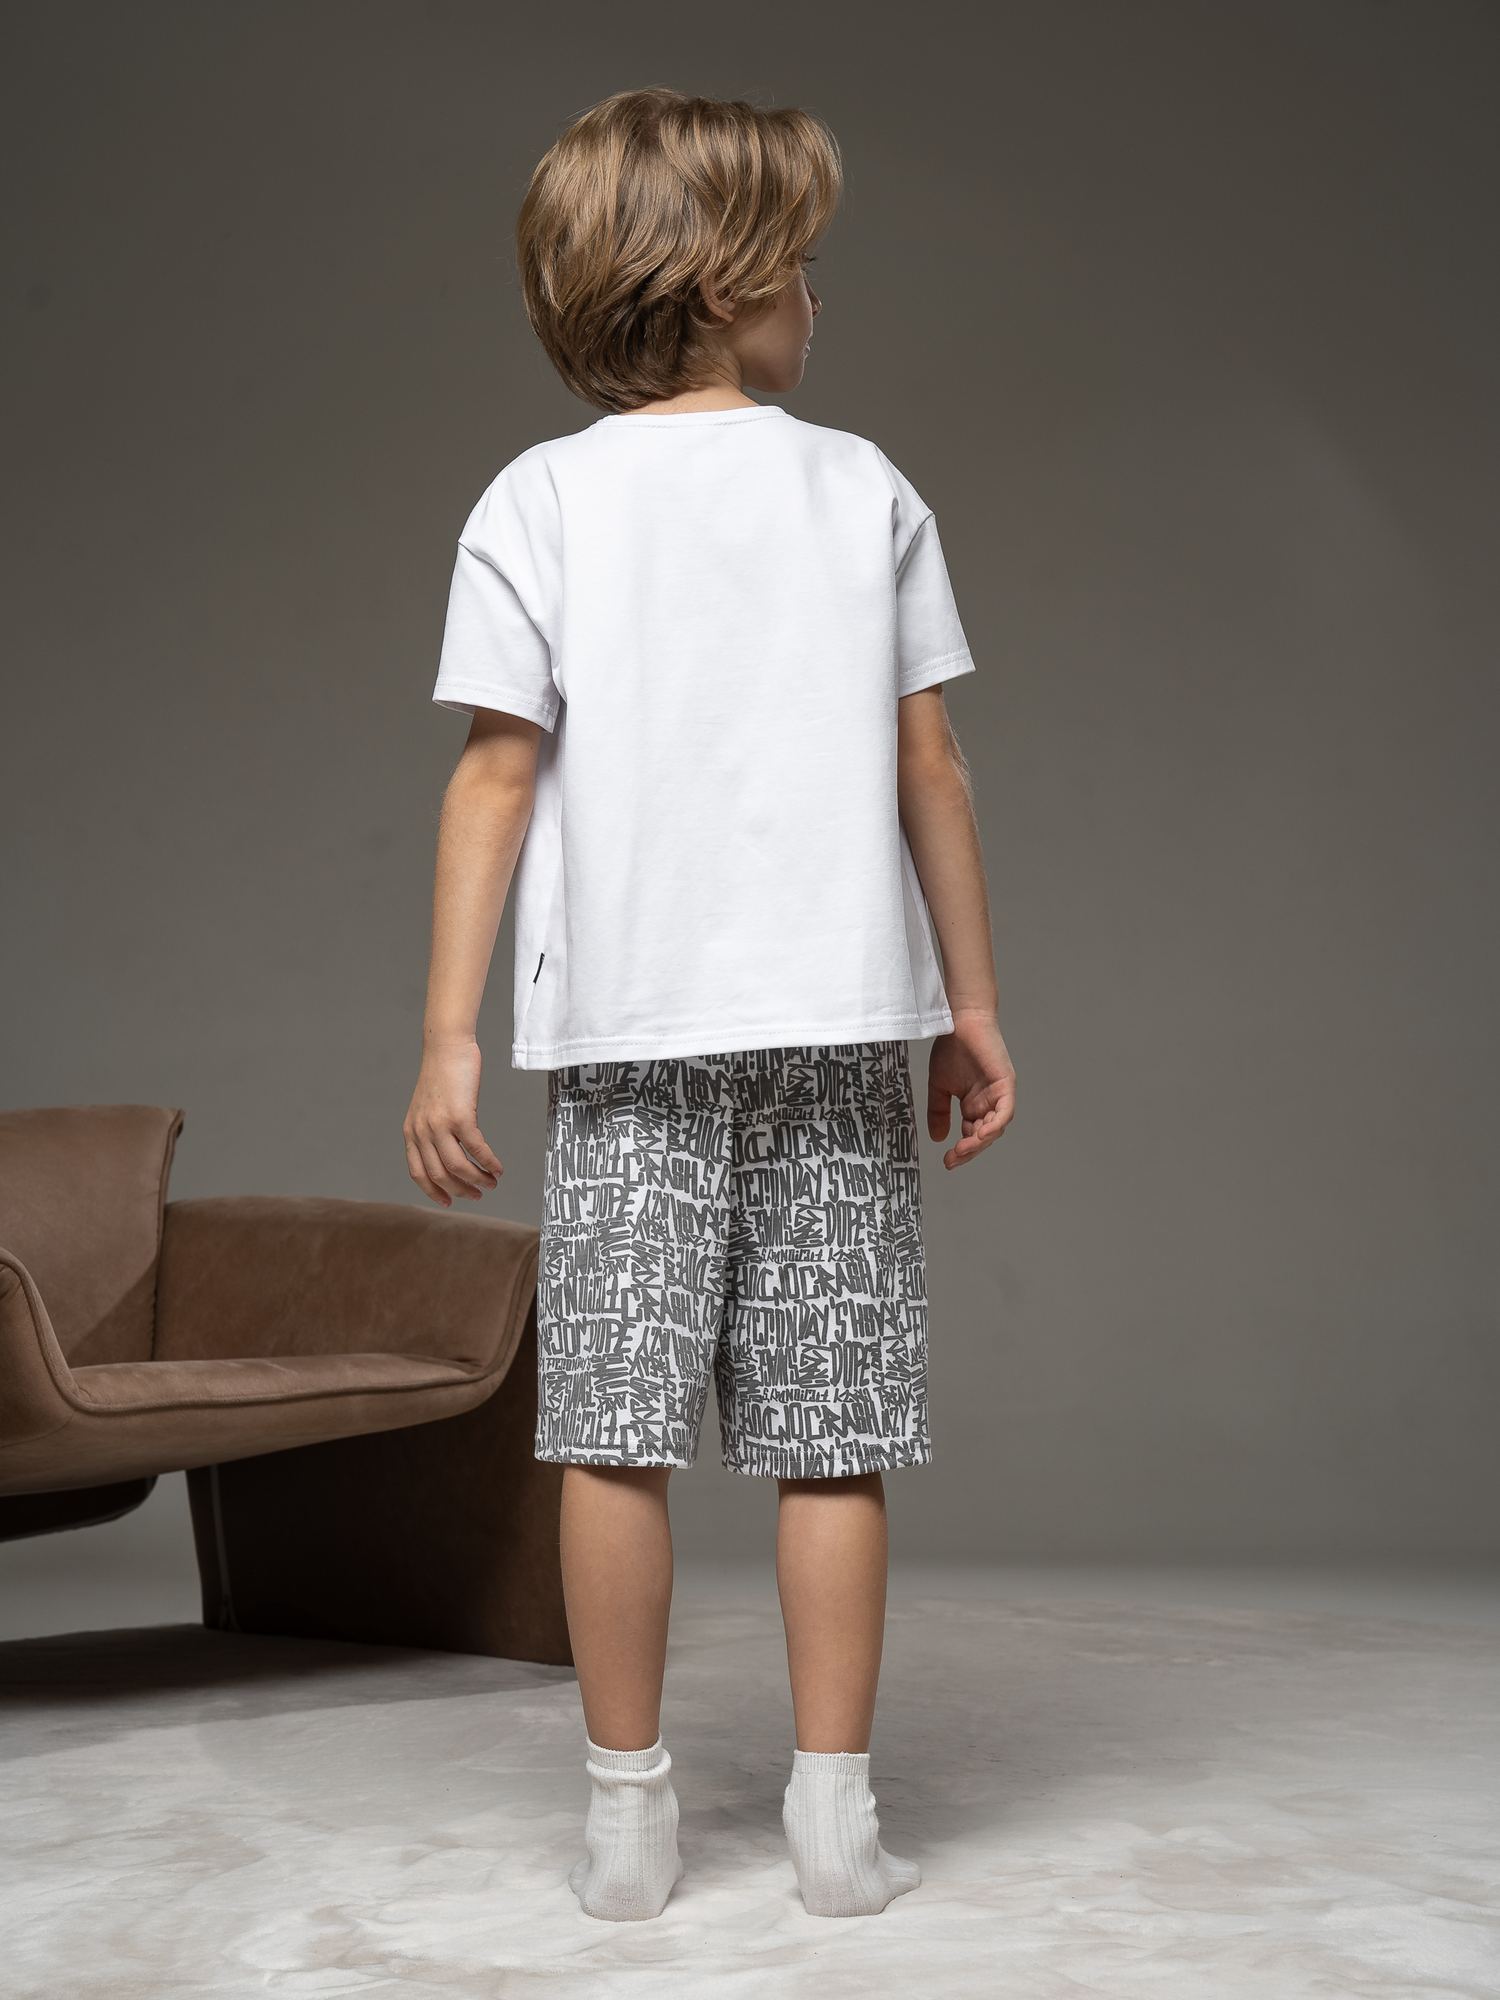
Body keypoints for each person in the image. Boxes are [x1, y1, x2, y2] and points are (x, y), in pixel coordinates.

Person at [403, 85, 1016, 1923]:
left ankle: (628, 1816)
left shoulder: (539, 498)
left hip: (628, 1046)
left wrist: (448, 1036)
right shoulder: (864, 485)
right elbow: (932, 768)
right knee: (834, 1436)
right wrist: (971, 1005)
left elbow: (494, 775)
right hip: (834, 1031)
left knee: (614, 1431)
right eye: (803, 266)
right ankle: (836, 1823)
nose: (819, 297)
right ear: (728, 281)